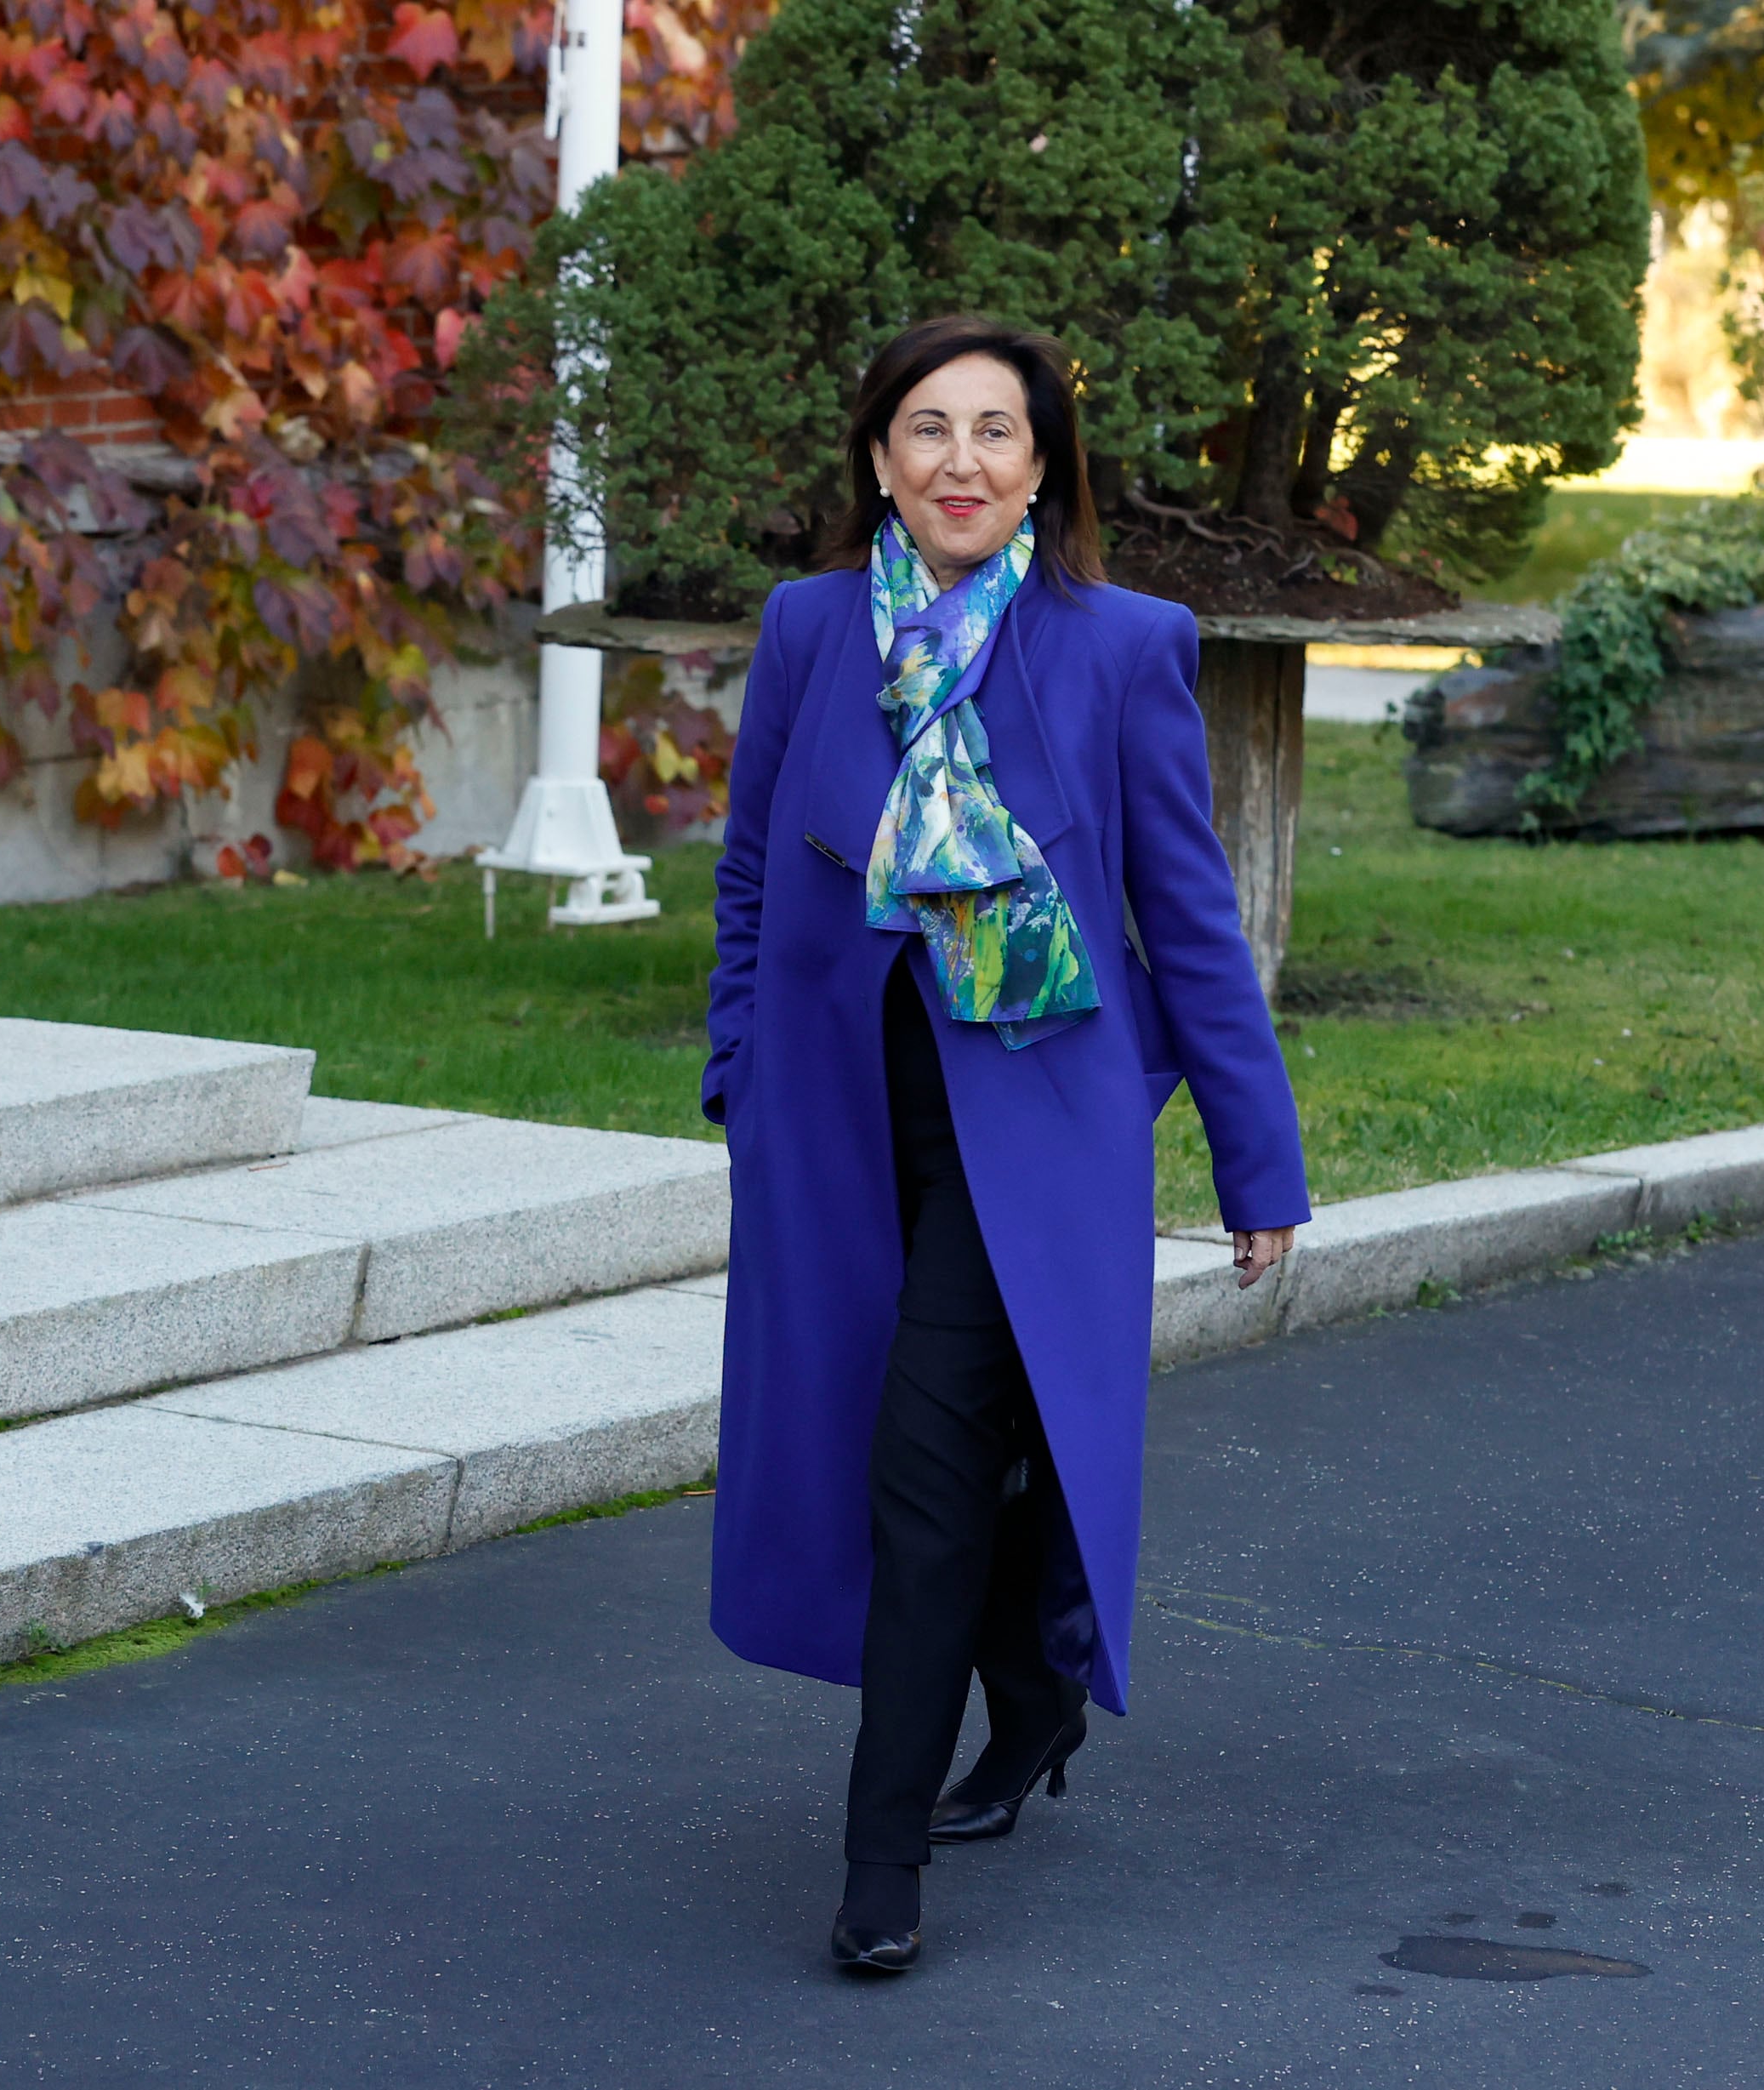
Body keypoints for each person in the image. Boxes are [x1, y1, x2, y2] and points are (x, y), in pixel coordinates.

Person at [700, 314, 1312, 1974]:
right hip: (841, 1114)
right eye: (925, 429)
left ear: (1042, 465)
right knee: (903, 1438)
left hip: (1037, 1118)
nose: (958, 461)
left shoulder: (1121, 646)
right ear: (878, 460)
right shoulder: (812, 629)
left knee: (922, 1457)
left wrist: (1255, 1159)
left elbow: (1185, 924)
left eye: (994, 432)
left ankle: (876, 1856)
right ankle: (1033, 1689)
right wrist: (736, 1069)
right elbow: (754, 869)